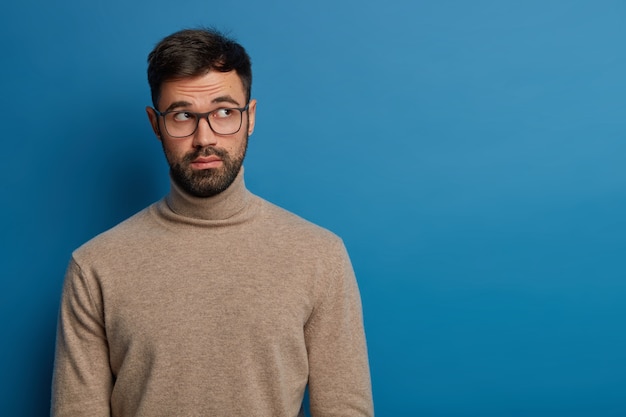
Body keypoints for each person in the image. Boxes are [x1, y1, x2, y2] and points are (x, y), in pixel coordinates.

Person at [51, 28, 373, 417]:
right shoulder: (95, 266)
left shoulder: (320, 257)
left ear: (249, 117)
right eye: (183, 115)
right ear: (156, 124)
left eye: (224, 112)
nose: (205, 137)